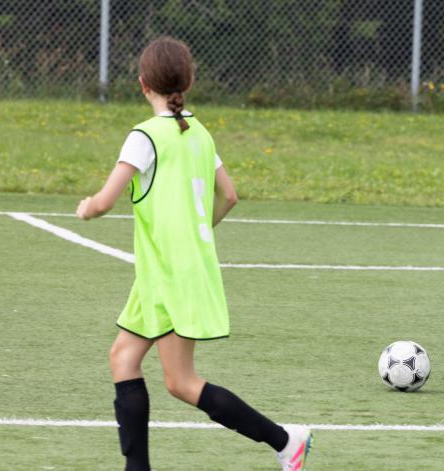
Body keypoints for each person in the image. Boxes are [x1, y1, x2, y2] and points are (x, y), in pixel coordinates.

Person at [75, 37, 312, 470]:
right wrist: (197, 230)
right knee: (123, 358)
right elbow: (230, 196)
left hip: (171, 276)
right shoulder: (199, 134)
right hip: (166, 274)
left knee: (181, 382)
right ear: (188, 81)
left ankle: (285, 440)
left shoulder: (144, 136)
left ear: (142, 83)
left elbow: (105, 201)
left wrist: (87, 207)